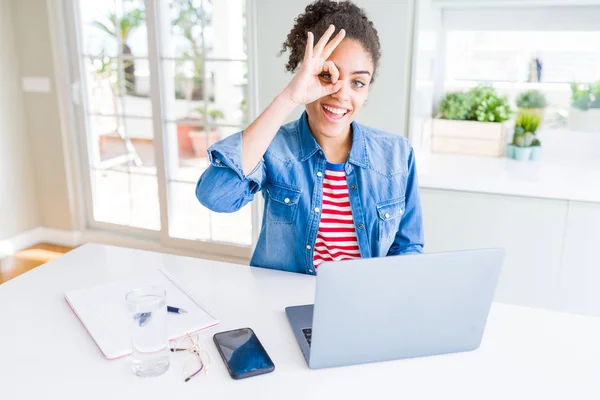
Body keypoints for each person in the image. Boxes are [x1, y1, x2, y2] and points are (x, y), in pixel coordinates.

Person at [196, 0, 423, 275]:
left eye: (358, 83)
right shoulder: (274, 147)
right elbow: (215, 195)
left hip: (365, 306)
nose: (341, 94)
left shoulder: (397, 154)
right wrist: (289, 97)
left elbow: (408, 249)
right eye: (327, 75)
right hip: (285, 303)